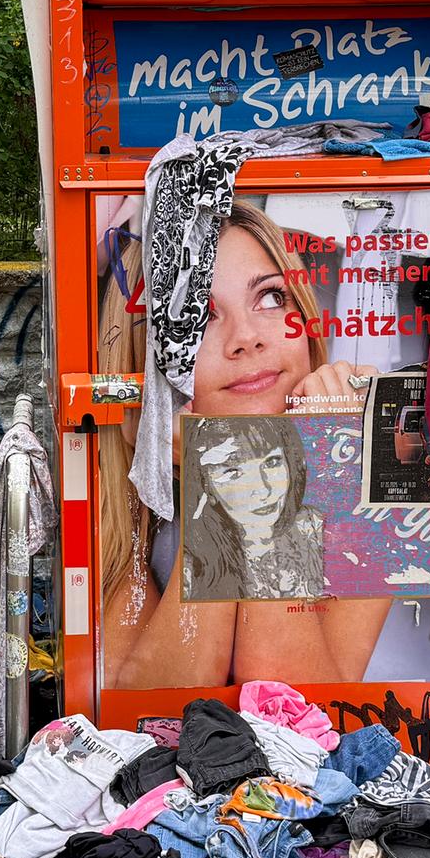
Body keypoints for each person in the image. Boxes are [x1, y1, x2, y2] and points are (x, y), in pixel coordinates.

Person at [97, 200, 389, 689]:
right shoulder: (120, 477)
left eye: (272, 298)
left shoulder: (364, 457)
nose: (246, 339)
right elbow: (148, 708)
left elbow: (304, 707)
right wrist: (211, 475)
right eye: (200, 316)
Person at [180, 416, 324, 601]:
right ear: (207, 487)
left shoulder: (315, 527)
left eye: (271, 462)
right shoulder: (191, 568)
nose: (263, 490)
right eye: (233, 472)